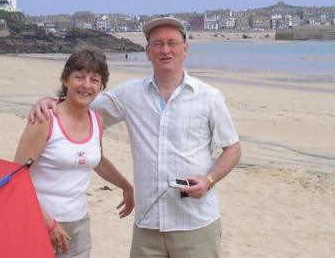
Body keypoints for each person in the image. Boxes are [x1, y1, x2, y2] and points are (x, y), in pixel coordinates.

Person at [29, 17, 242, 258]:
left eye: (172, 43)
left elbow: (232, 148)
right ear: (148, 52)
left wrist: (209, 180)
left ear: (186, 49)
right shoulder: (130, 94)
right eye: (158, 44)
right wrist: (51, 102)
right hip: (148, 224)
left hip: (195, 223)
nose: (165, 50)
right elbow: (79, 106)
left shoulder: (209, 97)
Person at [14, 48, 134, 258]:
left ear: (101, 86)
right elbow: (15, 177)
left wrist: (127, 187)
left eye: (94, 80)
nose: (86, 85)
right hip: (38, 221)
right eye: (79, 77)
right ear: (66, 79)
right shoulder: (45, 119)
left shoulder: (96, 120)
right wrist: (48, 224)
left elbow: (97, 160)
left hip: (78, 223)